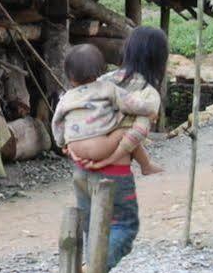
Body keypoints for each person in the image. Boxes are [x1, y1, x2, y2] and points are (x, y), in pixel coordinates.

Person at [68, 25, 170, 273]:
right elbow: (134, 135)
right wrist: (109, 157)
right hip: (114, 174)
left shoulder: (104, 80)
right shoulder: (148, 94)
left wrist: (70, 146)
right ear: (159, 59)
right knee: (124, 228)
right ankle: (94, 269)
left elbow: (76, 111)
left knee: (95, 230)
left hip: (80, 168)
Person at [51, 43, 163, 176]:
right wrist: (150, 110)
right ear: (101, 70)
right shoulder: (108, 87)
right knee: (127, 127)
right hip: (101, 146)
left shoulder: (66, 97)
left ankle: (144, 165)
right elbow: (131, 104)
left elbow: (56, 122)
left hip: (75, 147)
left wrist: (62, 143)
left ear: (69, 76)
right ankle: (146, 165)